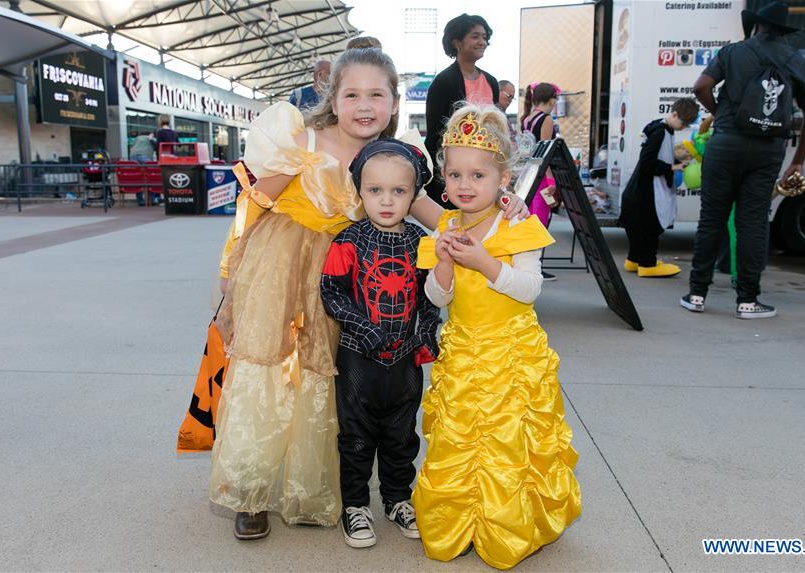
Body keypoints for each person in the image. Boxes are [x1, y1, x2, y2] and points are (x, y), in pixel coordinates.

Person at [206, 48, 529, 542]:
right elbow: (254, 199)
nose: (363, 105)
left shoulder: (391, 159)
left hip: (347, 275)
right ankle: (249, 493)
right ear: (332, 98)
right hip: (283, 265)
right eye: (351, 93)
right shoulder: (303, 140)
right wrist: (232, 266)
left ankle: (307, 488)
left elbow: (437, 214)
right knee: (269, 369)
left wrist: (500, 208)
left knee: (323, 378)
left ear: (394, 102)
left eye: (376, 94)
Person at [412, 104, 581, 570]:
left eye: (478, 175)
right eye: (455, 175)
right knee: (461, 441)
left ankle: (510, 525)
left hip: (510, 353)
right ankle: (461, 520)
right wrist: (445, 263)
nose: (465, 186)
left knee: (508, 443)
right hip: (464, 351)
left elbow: (528, 290)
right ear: (443, 178)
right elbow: (438, 298)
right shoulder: (445, 225)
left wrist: (484, 262)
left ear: (503, 176)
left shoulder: (518, 224)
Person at [319, 139, 440, 548]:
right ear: (360, 191)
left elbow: (428, 297)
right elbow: (331, 292)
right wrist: (362, 326)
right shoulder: (347, 241)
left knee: (402, 435)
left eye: (399, 191)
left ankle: (397, 498)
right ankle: (355, 504)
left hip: (406, 361)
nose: (386, 201)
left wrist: (426, 332)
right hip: (358, 357)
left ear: (414, 193)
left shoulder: (422, 243)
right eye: (375, 191)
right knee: (354, 435)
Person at [682, 1, 805, 319]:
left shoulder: (733, 52)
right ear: (784, 31)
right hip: (767, 150)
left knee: (712, 219)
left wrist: (720, 114)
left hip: (725, 145)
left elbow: (701, 86)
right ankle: (747, 300)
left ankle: (697, 295)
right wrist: (798, 160)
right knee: (752, 222)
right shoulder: (794, 60)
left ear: (756, 25)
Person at [424, 14, 499, 207]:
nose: (482, 42)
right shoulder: (443, 82)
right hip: (452, 173)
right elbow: (435, 134)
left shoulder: (491, 82)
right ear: (457, 41)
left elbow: (497, 129)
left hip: (485, 169)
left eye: (484, 37)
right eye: (475, 36)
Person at [620, 97, 699, 277]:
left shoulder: (659, 128)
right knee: (650, 228)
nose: (684, 127)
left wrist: (676, 160)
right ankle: (647, 264)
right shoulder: (661, 132)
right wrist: (673, 167)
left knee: (639, 230)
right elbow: (648, 163)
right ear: (674, 114)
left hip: (636, 194)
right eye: (684, 123)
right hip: (646, 194)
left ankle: (634, 260)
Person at [521, 82, 562, 280]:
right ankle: (535, 266)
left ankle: (530, 264)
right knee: (541, 221)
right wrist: (551, 180)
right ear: (551, 99)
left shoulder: (527, 119)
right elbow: (545, 152)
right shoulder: (546, 119)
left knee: (531, 220)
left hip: (529, 176)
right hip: (542, 178)